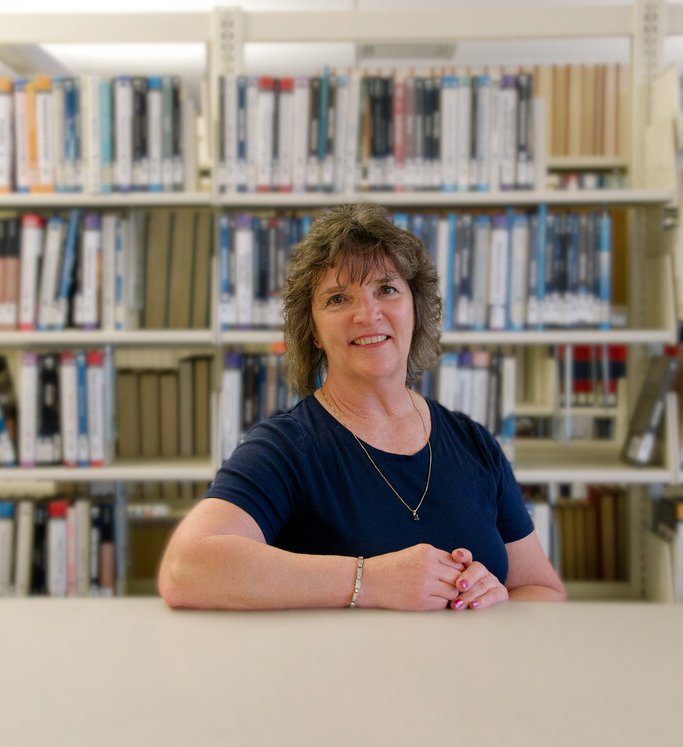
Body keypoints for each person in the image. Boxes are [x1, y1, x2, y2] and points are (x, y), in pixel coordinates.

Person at [159, 203, 566, 610]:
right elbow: (185, 568)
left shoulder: (473, 443)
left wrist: (495, 598)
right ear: (314, 332)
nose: (367, 315)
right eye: (338, 299)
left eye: (386, 289)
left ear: (415, 308)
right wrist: (367, 581)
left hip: (469, 674)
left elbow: (543, 591)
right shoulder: (288, 447)